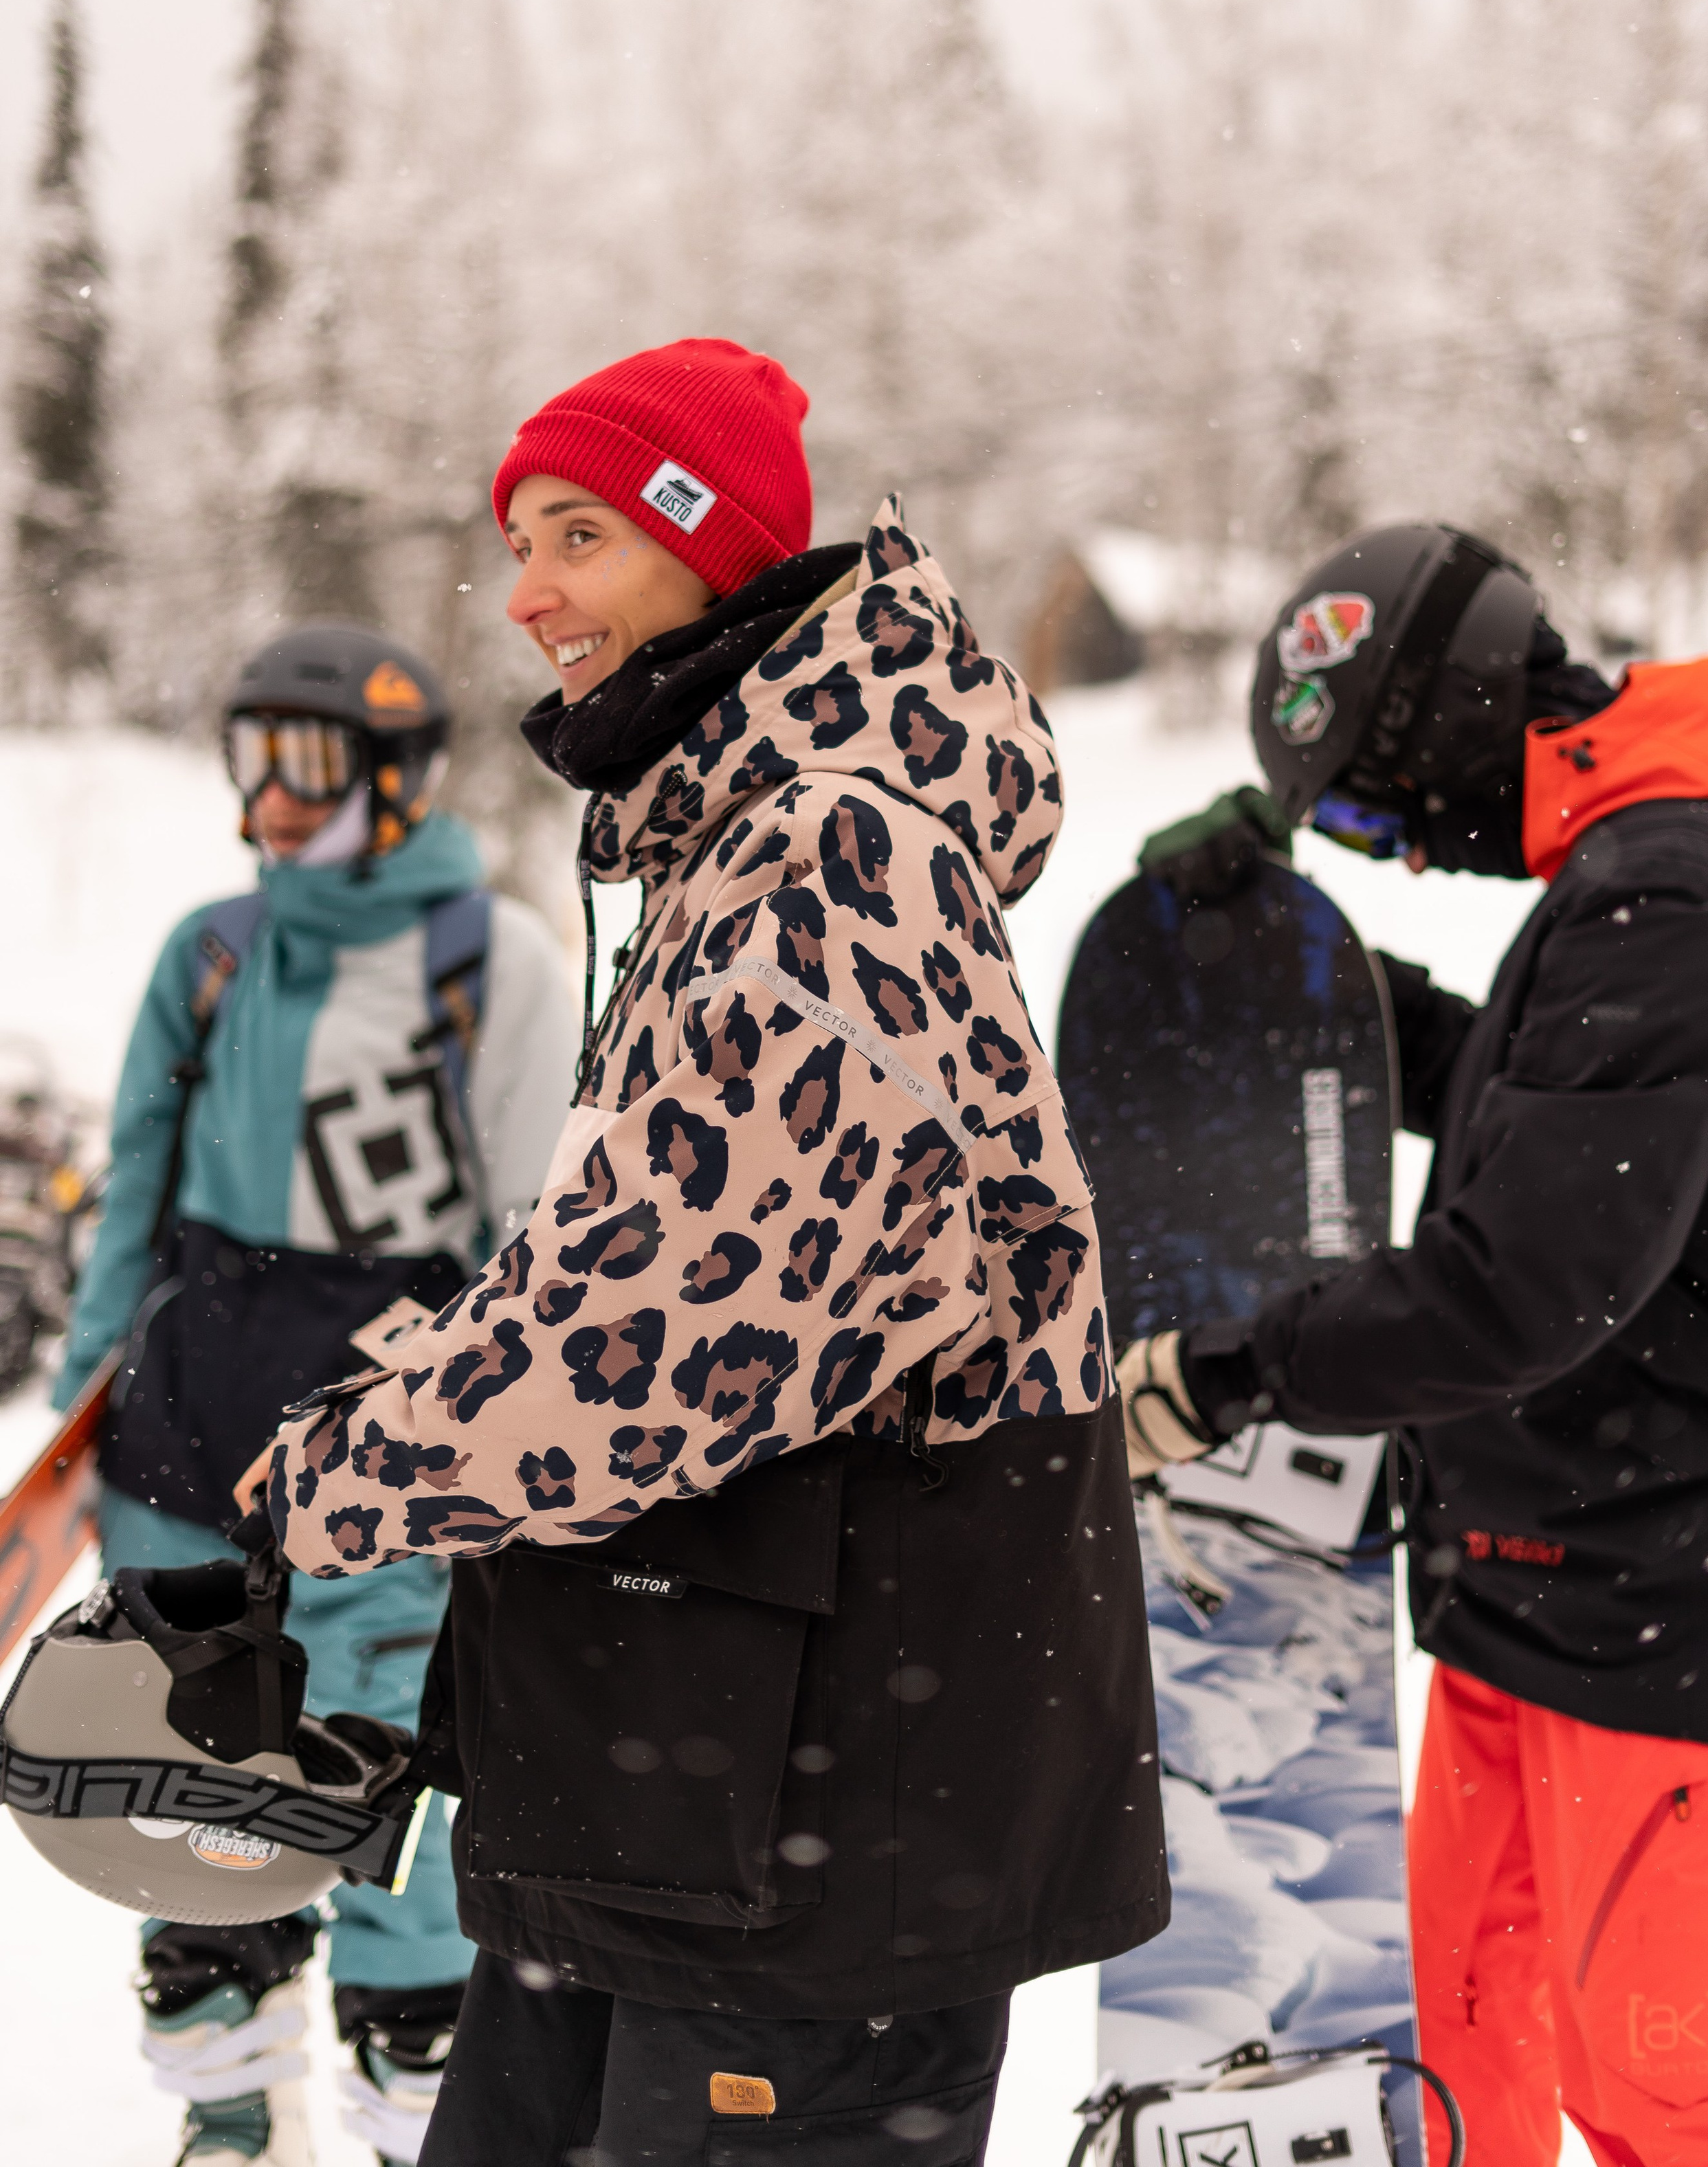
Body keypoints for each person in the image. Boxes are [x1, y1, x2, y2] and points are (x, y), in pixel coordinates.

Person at [242, 337, 1168, 2167]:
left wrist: (345, 1476)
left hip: (809, 1853)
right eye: (518, 543)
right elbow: (625, 1257)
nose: (528, 596)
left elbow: (674, 1347)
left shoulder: (826, 860)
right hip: (685, 1796)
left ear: (711, 545)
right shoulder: (732, 846)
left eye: (579, 534)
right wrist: (402, 1395)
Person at [1118, 522, 1708, 2167]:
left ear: (1444, 725)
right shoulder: (1646, 865)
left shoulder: (1675, 881)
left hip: (1665, 1630)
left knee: (1667, 2116)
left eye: (1361, 811)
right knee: (1468, 2072)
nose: (1390, 857)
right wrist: (1305, 983)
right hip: (1543, 1602)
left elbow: (1526, 1276)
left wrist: (1227, 1378)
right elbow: (1558, 1121)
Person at [54, 623, 577, 2167]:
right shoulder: (211, 951)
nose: (272, 797)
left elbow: (529, 1239)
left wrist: (503, 1461)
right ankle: (229, 2112)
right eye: (248, 757)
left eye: (309, 761)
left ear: (399, 777)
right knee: (183, 1787)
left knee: (380, 1783)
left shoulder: (491, 960)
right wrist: (93, 1410)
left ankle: (411, 2096)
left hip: (386, 1443)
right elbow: (137, 1192)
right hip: (186, 1427)